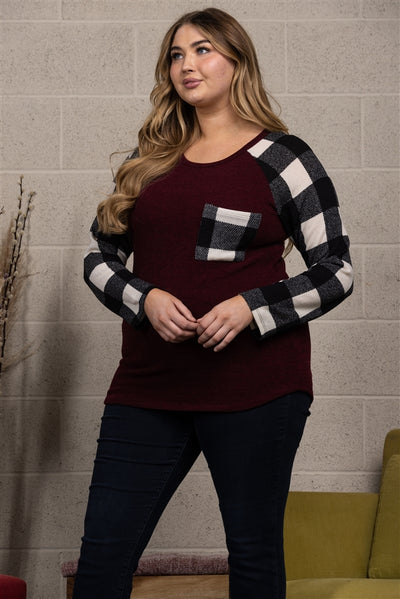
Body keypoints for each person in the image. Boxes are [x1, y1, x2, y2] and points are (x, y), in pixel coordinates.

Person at [73, 7, 353, 599]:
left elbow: (336, 270)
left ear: (237, 60)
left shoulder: (284, 157)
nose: (187, 65)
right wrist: (144, 298)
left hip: (257, 389)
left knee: (252, 555)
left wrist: (252, 307)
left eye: (202, 50)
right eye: (176, 54)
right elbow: (98, 258)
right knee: (102, 558)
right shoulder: (149, 159)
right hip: (148, 385)